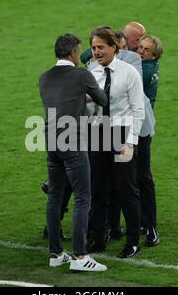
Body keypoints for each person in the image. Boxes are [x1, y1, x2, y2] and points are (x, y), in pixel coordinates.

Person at [39, 34, 107, 271]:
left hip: (50, 139)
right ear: (73, 53)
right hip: (73, 139)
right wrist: (87, 94)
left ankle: (55, 253)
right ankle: (80, 257)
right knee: (82, 197)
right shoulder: (81, 75)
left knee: (55, 196)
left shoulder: (44, 77)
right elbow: (103, 99)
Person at [87, 27, 145, 259]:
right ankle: (98, 238)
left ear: (114, 47)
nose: (97, 52)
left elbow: (138, 110)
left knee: (126, 190)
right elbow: (89, 109)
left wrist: (130, 143)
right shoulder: (91, 72)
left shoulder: (129, 72)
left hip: (122, 135)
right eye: (93, 48)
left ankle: (133, 242)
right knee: (98, 190)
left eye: (101, 47)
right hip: (98, 135)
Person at [136, 34, 163, 246]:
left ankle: (150, 225)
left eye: (145, 49)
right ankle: (145, 223)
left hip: (139, 131)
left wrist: (115, 44)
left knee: (142, 177)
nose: (140, 51)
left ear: (154, 55)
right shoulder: (148, 66)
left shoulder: (143, 71)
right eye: (140, 47)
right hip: (139, 128)